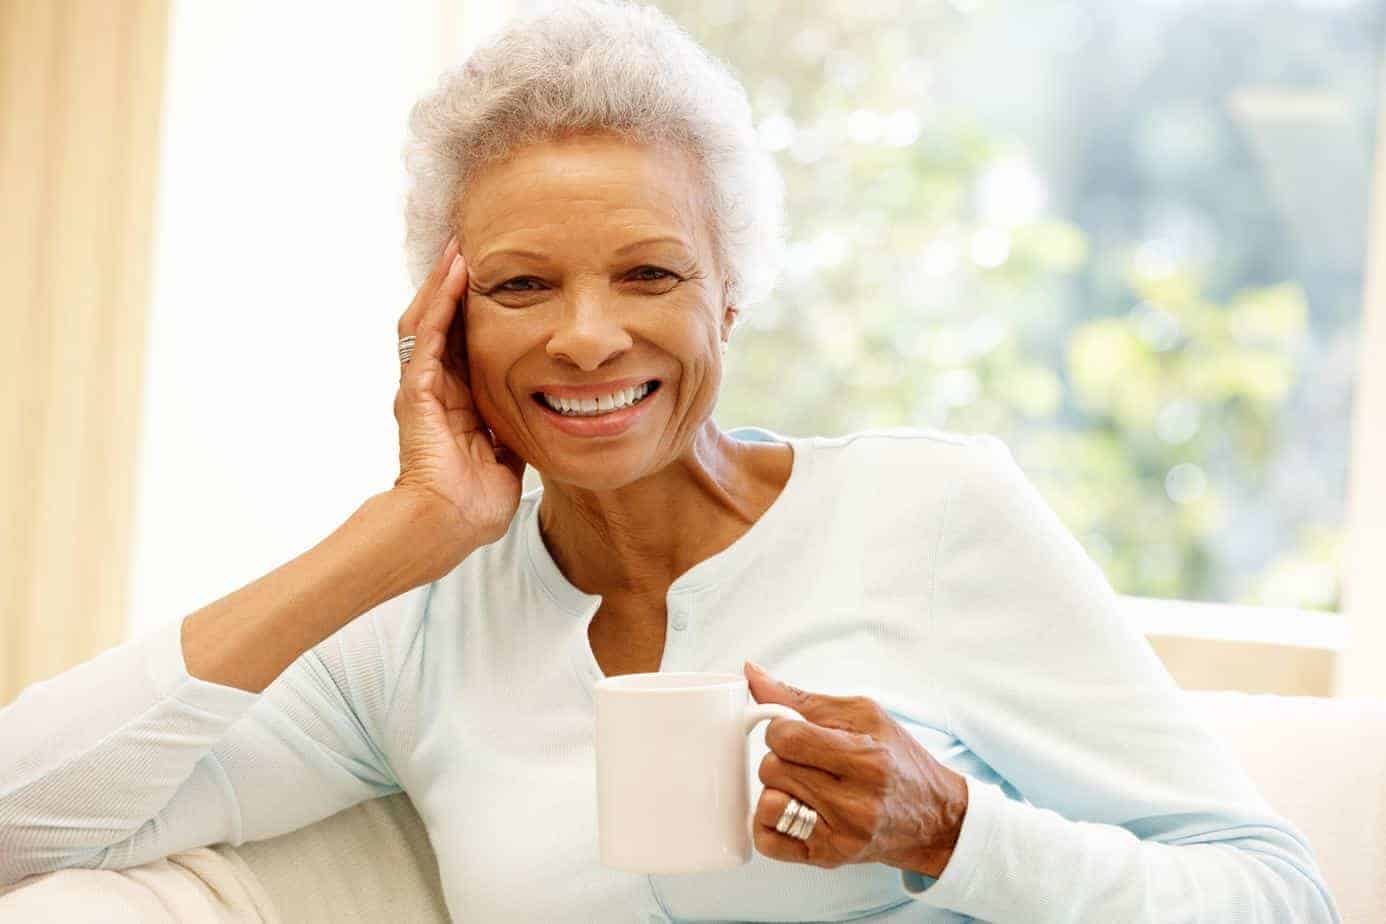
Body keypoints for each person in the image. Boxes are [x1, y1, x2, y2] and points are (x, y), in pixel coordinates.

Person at [0, 1, 1341, 921]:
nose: (589, 338)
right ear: (444, 322)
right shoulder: (418, 624)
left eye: (649, 273)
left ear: (728, 301)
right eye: (521, 284)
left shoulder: (931, 511)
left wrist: (947, 832)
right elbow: (19, 823)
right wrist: (399, 531)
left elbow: (1275, 895)